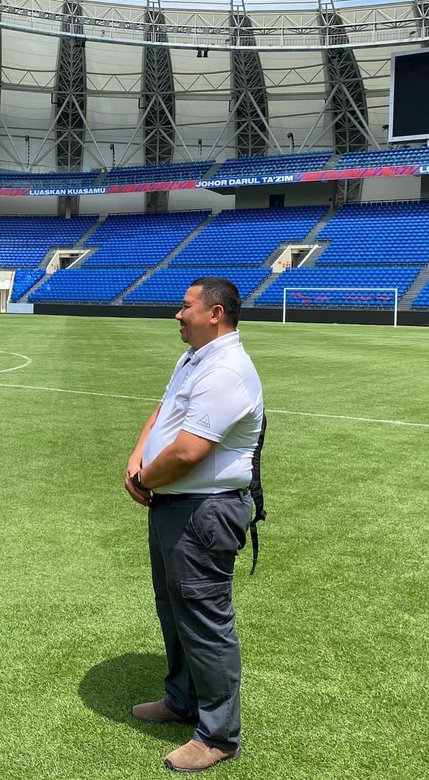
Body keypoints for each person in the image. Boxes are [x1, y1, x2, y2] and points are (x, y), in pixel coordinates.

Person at [124, 277, 265, 774]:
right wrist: (138, 456)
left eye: (186, 307)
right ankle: (182, 700)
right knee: (173, 610)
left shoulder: (227, 369)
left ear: (215, 313)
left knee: (206, 623)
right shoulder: (194, 359)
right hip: (175, 505)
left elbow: (189, 451)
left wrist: (145, 476)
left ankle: (219, 735)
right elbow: (163, 411)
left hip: (204, 512)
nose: (177, 315)